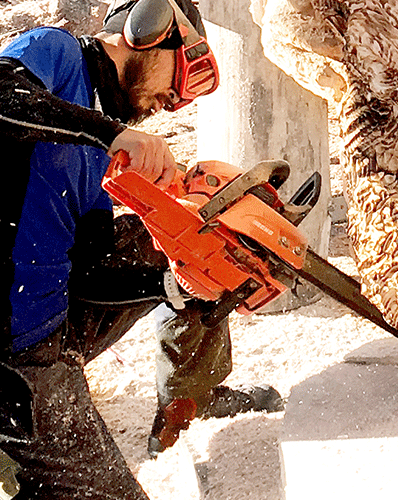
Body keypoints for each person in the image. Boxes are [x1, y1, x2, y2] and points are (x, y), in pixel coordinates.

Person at [0, 0, 283, 497]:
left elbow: (88, 277)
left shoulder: (92, 156)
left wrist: (171, 284)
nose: (172, 101)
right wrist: (111, 133)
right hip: (14, 355)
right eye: (181, 74)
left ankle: (194, 393)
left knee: (195, 232)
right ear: (149, 28)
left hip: (47, 323)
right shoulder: (56, 53)